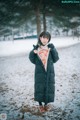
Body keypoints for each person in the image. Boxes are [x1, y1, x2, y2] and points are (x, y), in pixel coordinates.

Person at [29, 31, 59, 112]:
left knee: (48, 87)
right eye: (43, 37)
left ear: (49, 39)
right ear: (40, 38)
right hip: (39, 72)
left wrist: (53, 49)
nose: (45, 40)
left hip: (49, 71)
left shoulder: (50, 47)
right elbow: (32, 59)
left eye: (47, 38)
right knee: (39, 87)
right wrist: (33, 52)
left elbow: (56, 59)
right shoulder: (37, 48)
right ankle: (40, 105)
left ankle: (46, 104)